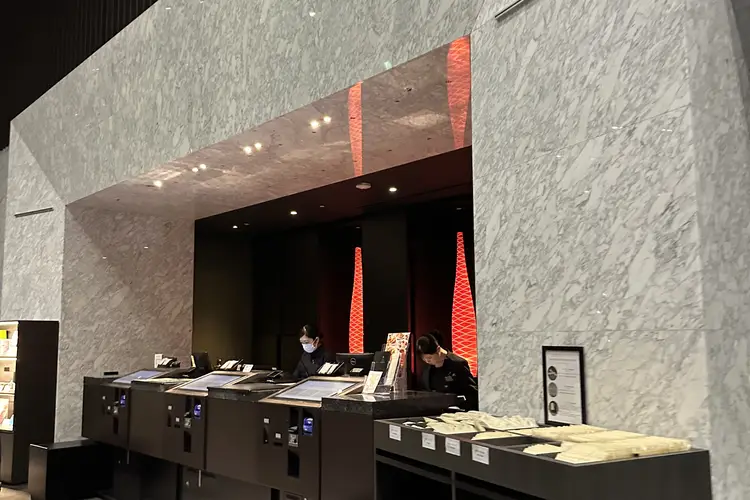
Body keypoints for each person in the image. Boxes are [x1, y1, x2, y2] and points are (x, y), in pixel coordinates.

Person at [416, 331, 478, 410]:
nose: (427, 361)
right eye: (424, 359)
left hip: (456, 411)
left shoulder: (457, 364)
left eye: (429, 358)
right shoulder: (427, 368)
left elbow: (471, 392)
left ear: (438, 350)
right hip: (433, 410)